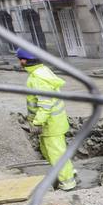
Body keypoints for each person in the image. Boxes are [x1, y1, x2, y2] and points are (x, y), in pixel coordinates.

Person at [18, 47, 77, 191]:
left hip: (50, 125)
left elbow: (45, 104)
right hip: (52, 123)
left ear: (24, 60)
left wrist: (37, 122)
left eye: (20, 59)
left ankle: (68, 182)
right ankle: (68, 172)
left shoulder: (38, 78)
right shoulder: (39, 71)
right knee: (49, 151)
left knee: (56, 154)